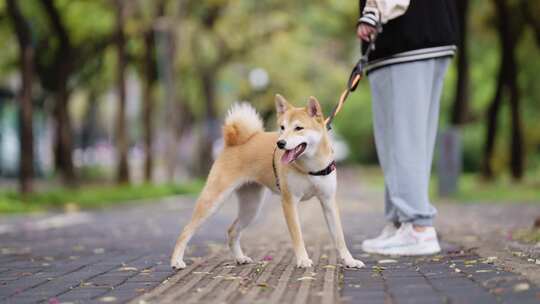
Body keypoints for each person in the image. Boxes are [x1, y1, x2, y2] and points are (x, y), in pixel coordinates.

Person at [356, 0, 457, 255]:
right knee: (410, 140)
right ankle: (401, 223)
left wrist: (373, 11)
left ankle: (417, 229)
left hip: (405, 37)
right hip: (428, 33)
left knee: (402, 141)